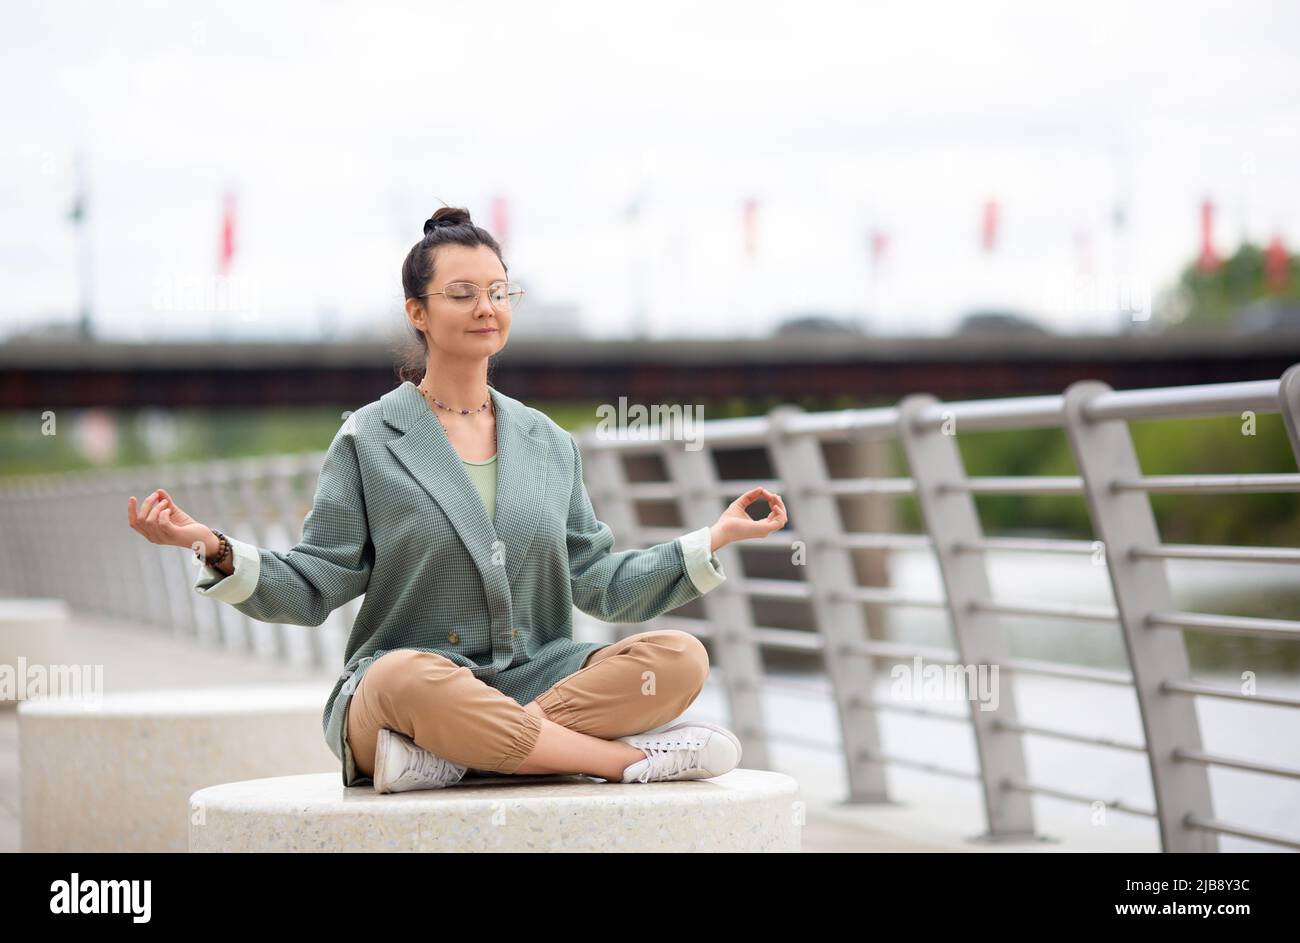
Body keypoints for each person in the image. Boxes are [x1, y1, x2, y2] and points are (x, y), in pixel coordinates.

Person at [126, 204, 788, 793]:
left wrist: (713, 538)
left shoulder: (549, 442)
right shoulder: (367, 438)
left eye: (498, 292)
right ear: (417, 312)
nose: (486, 308)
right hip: (411, 699)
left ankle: (457, 756)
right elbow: (311, 584)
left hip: (533, 680)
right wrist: (210, 547)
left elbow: (599, 583)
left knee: (677, 659)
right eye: (462, 293)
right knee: (399, 677)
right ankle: (618, 760)